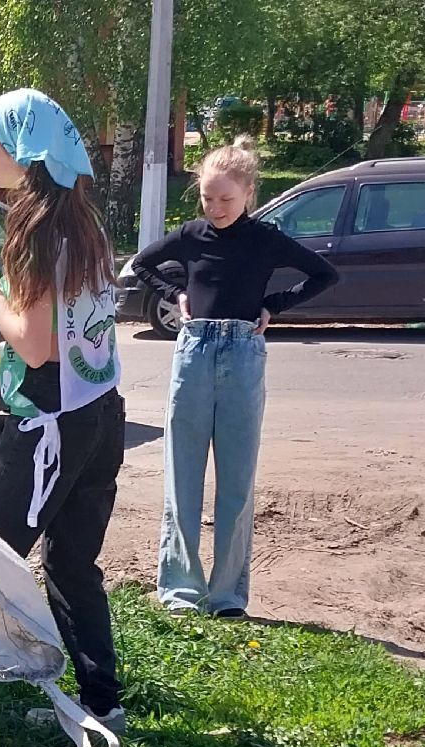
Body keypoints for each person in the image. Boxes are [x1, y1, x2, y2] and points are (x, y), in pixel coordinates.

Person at [0, 87, 128, 736]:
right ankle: (102, 702)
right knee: (72, 562)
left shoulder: (32, 231)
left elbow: (32, 341)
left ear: (24, 152)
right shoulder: (86, 223)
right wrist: (7, 359)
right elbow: (68, 337)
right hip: (100, 414)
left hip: (49, 427)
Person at [131, 136, 339, 618]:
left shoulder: (265, 238)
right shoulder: (190, 235)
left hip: (244, 351)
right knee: (183, 475)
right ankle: (181, 590)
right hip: (194, 352)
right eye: (208, 198)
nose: (216, 207)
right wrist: (177, 293)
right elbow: (142, 264)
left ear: (248, 194)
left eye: (226, 198)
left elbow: (324, 274)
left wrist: (275, 306)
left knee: (237, 482)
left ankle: (227, 596)